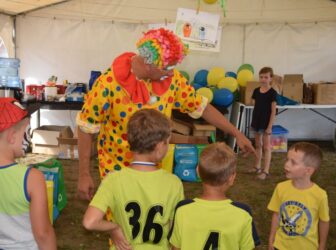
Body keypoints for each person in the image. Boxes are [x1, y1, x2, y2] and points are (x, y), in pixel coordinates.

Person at [76, 28, 255, 200]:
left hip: (155, 168)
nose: (170, 72)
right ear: (148, 62)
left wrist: (236, 133)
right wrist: (84, 173)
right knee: (119, 222)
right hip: (116, 168)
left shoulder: (173, 81)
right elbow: (86, 126)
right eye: (166, 68)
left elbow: (203, 107)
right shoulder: (108, 84)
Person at [83, 109, 184, 250]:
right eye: (167, 142)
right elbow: (176, 235)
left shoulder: (113, 179)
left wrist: (114, 228)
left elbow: (90, 222)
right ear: (160, 146)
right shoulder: (174, 183)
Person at [169, 142, 260, 250]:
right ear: (231, 178)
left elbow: (175, 248)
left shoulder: (182, 210)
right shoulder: (243, 214)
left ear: (197, 171)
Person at [0, 97, 56, 250]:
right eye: (28, 131)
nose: (30, 137)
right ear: (12, 137)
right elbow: (43, 233)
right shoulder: (32, 178)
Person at [267, 142, 329, 250]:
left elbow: (324, 221)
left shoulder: (320, 195)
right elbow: (276, 214)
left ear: (308, 171)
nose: (286, 164)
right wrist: (272, 237)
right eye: (287, 159)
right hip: (280, 245)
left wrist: (322, 245)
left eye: (293, 162)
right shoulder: (281, 188)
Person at [250, 67, 277, 180]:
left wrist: (270, 126)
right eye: (261, 77)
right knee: (258, 145)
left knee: (266, 147)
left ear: (271, 78)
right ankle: (257, 166)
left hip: (266, 123)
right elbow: (255, 105)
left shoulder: (273, 93)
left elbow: (273, 111)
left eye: (266, 77)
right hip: (257, 121)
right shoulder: (256, 91)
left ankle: (265, 170)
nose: (263, 79)